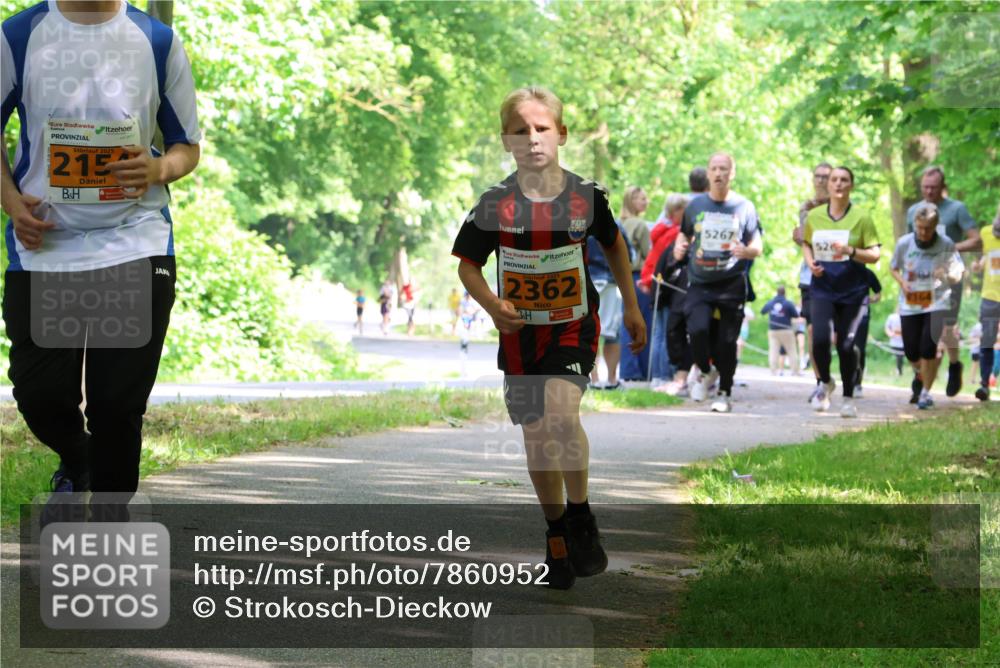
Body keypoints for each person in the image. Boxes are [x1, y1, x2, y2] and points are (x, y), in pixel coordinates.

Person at [1, 0, 201, 517]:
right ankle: (78, 457)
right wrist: (10, 201)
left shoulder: (156, 41)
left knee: (116, 403)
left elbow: (187, 146)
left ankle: (109, 521)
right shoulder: (18, 36)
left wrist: (158, 171)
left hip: (134, 241)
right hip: (46, 246)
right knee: (40, 394)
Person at [451, 87, 645, 590]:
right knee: (537, 436)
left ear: (561, 133)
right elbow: (468, 265)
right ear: (506, 140)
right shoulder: (495, 203)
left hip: (572, 328)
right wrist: (493, 307)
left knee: (562, 418)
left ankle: (580, 516)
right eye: (521, 131)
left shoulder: (586, 197)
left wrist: (633, 305)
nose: (533, 139)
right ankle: (557, 536)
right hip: (518, 337)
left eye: (542, 129)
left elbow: (615, 245)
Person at [673, 152, 764, 413]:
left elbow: (757, 242)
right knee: (698, 330)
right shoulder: (695, 205)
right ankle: (705, 370)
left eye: (724, 169)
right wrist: (680, 247)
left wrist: (749, 251)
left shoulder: (744, 206)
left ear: (732, 173)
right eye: (714, 168)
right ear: (708, 173)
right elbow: (684, 235)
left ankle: (724, 392)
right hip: (700, 281)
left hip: (731, 281)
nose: (719, 173)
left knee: (727, 341)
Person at [802, 166, 880, 418]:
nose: (838, 184)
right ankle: (825, 381)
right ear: (829, 185)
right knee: (820, 340)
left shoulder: (862, 217)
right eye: (834, 179)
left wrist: (850, 251)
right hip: (823, 287)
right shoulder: (814, 216)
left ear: (851, 186)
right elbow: (806, 242)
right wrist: (810, 262)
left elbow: (875, 254)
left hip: (853, 291)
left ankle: (848, 398)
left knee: (846, 346)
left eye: (844, 180)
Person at [906, 166, 982, 398]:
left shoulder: (956, 209)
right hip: (921, 278)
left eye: (934, 187)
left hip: (949, 276)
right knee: (919, 328)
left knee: (945, 326)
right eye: (925, 187)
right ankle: (921, 375)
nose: (929, 191)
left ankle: (954, 365)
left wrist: (948, 248)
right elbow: (908, 242)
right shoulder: (913, 211)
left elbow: (976, 241)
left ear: (942, 187)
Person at [891, 202, 965, 409]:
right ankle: (920, 373)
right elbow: (893, 267)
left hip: (937, 302)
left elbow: (958, 273)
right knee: (911, 350)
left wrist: (947, 274)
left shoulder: (946, 244)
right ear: (915, 224)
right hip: (910, 303)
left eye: (928, 228)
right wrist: (902, 282)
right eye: (920, 227)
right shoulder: (904, 243)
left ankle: (925, 393)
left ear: (936, 226)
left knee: (928, 347)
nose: (923, 232)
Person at [640, 193, 687, 388]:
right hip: (667, 286)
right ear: (676, 212)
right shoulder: (675, 233)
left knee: (659, 332)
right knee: (669, 331)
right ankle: (665, 375)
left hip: (654, 283)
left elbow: (651, 258)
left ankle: (657, 376)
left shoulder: (661, 230)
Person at [793, 163, 832, 396]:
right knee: (812, 331)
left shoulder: (845, 209)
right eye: (817, 176)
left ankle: (849, 371)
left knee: (835, 336)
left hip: (840, 276)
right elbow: (807, 239)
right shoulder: (805, 207)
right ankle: (820, 382)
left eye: (825, 177)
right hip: (811, 275)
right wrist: (800, 239)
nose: (820, 181)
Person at [586, 213, 632, 390]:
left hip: (586, 282)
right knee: (612, 334)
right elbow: (629, 256)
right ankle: (612, 380)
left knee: (590, 332)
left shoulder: (575, 225)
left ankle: (594, 379)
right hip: (611, 283)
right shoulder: (615, 225)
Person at [617, 186, 653, 381]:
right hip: (639, 277)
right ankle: (641, 370)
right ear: (632, 201)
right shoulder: (640, 225)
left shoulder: (617, 223)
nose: (646, 202)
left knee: (626, 322)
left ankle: (629, 370)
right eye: (642, 199)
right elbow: (649, 255)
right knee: (642, 322)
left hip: (622, 278)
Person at [970, 204, 1000, 401]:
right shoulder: (986, 233)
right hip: (990, 296)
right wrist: (977, 266)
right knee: (987, 341)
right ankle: (984, 385)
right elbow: (987, 257)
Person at [853, 267, 882, 398]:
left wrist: (871, 299)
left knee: (859, 349)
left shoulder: (868, 274)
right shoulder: (842, 270)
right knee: (846, 348)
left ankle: (857, 383)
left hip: (863, 316)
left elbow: (878, 293)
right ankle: (848, 379)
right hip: (845, 316)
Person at [761, 286, 799, 376]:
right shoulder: (788, 303)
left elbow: (763, 311)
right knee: (791, 350)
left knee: (773, 351)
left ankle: (773, 371)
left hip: (773, 330)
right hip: (786, 330)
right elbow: (796, 315)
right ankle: (794, 371)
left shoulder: (771, 302)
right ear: (784, 293)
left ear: (776, 292)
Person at [884, 310, 906, 376]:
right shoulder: (892, 317)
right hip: (895, 342)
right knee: (899, 357)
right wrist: (890, 334)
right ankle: (899, 372)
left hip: (906, 342)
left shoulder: (908, 316)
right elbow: (887, 327)